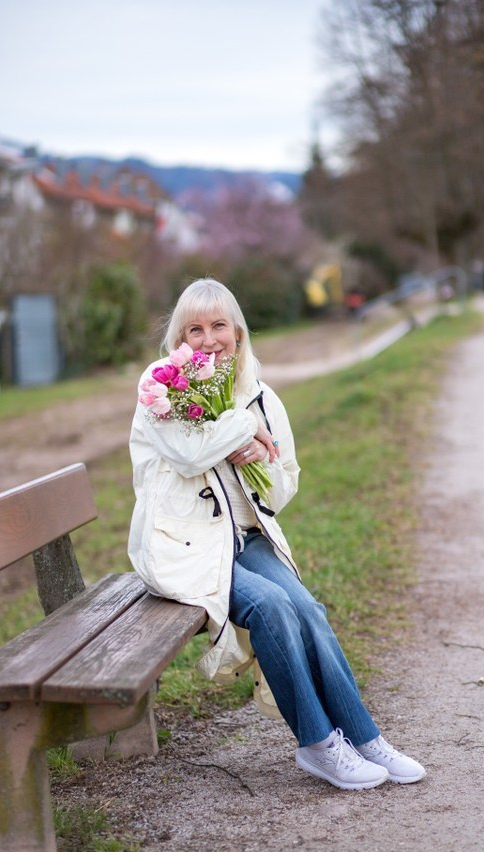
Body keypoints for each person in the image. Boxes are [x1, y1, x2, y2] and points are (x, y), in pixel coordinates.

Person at [128, 278, 426, 791]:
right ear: (179, 339)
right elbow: (190, 454)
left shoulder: (261, 397)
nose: (208, 338)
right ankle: (317, 744)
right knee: (270, 606)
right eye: (194, 329)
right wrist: (243, 431)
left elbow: (284, 485)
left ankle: (364, 736)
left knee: (307, 608)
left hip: (247, 540)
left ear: (238, 333)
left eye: (219, 325)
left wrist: (262, 455)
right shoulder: (162, 390)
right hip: (184, 548)